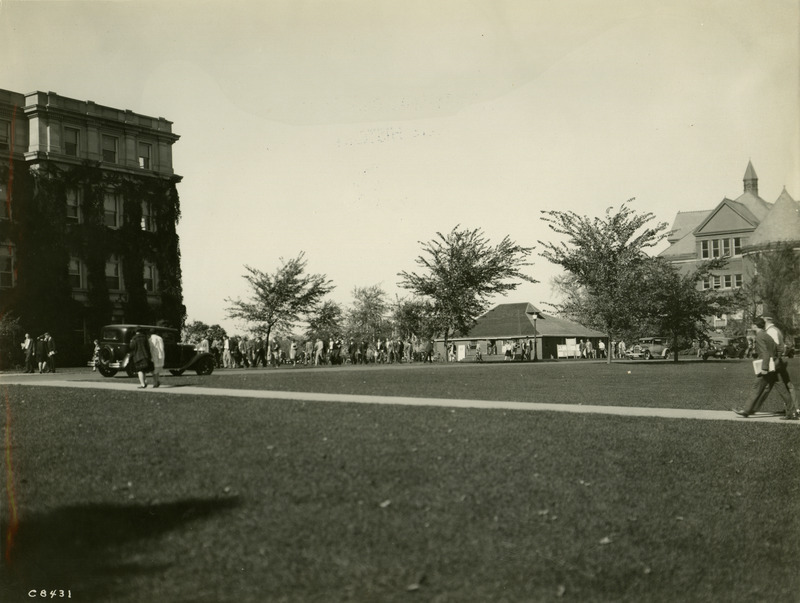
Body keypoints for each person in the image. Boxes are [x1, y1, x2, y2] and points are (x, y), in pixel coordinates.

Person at [735, 317, 778, 417]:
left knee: (756, 387)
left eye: (752, 324)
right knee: (779, 389)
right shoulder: (767, 335)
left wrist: (764, 368)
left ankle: (746, 410)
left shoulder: (759, 336)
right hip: (775, 364)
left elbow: (765, 353)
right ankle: (791, 409)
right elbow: (776, 349)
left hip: (766, 366)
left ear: (755, 325)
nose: (751, 326)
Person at [764, 316, 798, 420]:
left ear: (766, 320)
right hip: (779, 360)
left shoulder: (771, 331)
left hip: (775, 361)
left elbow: (775, 347)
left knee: (770, 385)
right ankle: (795, 408)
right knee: (788, 384)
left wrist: (774, 359)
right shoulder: (776, 330)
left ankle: (750, 408)